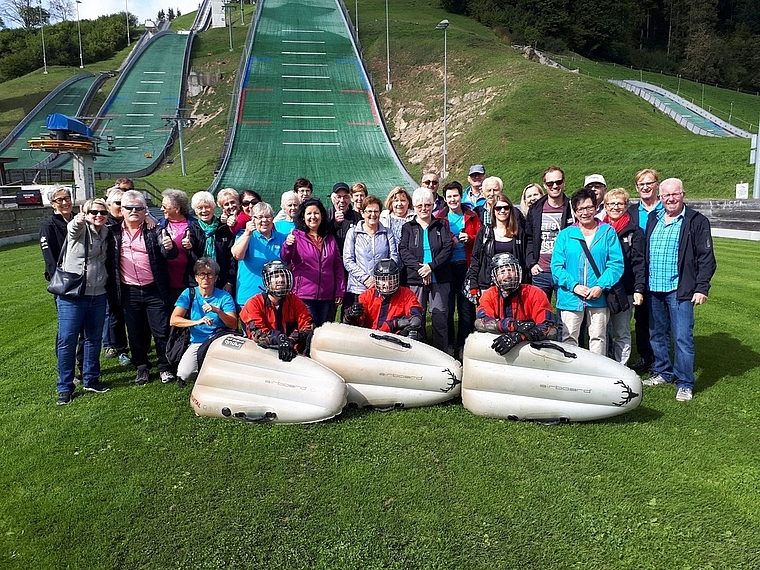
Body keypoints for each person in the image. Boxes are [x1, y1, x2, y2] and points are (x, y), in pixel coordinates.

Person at [643, 178, 716, 402]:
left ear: (683, 194)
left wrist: (701, 288)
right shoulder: (653, 218)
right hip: (654, 288)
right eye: (666, 195)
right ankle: (663, 372)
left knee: (683, 337)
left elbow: (706, 258)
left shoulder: (696, 221)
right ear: (661, 197)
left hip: (680, 289)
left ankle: (685, 383)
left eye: (675, 194)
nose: (671, 199)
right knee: (657, 334)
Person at [54, 199, 115, 404]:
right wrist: (79, 220)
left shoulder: (106, 231)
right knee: (67, 340)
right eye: (94, 212)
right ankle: (65, 386)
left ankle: (91, 378)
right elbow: (72, 229)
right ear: (85, 212)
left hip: (98, 294)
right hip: (73, 295)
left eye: (102, 212)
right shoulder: (80, 228)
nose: (99, 215)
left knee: (93, 339)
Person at [114, 190, 177, 385]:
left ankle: (164, 367)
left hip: (154, 289)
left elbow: (170, 255)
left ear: (144, 211)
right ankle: (141, 367)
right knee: (136, 333)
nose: (134, 211)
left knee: (161, 331)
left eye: (139, 208)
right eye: (129, 208)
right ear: (122, 210)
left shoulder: (155, 230)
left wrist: (169, 246)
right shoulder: (113, 232)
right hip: (129, 290)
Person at [550, 189, 624, 356]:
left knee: (598, 337)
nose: (585, 213)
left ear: (596, 207)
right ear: (574, 211)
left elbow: (615, 264)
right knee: (569, 338)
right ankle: (571, 373)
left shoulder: (607, 232)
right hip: (571, 297)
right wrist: (574, 286)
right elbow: (557, 267)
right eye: (580, 209)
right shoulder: (566, 235)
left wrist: (600, 286)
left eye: (589, 207)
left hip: (598, 296)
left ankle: (597, 374)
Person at [398, 187, 452, 351]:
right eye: (420, 205)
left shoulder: (441, 225)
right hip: (416, 279)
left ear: (433, 205)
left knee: (439, 318)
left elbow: (447, 248)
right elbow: (403, 251)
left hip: (439, 278)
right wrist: (421, 269)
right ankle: (420, 352)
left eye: (427, 205)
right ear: (414, 206)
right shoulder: (408, 227)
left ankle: (441, 353)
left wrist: (431, 267)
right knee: (416, 319)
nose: (423, 208)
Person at [40, 186, 85, 376]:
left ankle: (84, 365)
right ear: (53, 204)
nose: (65, 202)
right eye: (60, 200)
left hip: (84, 281)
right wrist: (60, 283)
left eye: (67, 198)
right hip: (65, 284)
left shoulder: (79, 219)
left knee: (85, 328)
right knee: (67, 331)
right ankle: (67, 370)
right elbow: (50, 258)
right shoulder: (49, 225)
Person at [170, 258, 238, 384]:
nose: (205, 278)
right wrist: (197, 322)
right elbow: (174, 320)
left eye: (210, 274)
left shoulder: (224, 296)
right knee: (184, 374)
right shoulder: (189, 293)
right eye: (201, 274)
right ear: (196, 277)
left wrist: (218, 311)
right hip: (197, 341)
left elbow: (233, 324)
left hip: (219, 341)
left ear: (216, 277)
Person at [474, 253, 556, 356]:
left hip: (529, 349)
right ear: (495, 276)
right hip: (497, 347)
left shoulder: (535, 293)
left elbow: (549, 329)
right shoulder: (489, 295)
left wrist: (519, 336)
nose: (507, 275)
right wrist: (512, 325)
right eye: (502, 272)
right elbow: (481, 322)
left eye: (511, 270)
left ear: (518, 272)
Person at [281, 197, 346, 327]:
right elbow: (286, 257)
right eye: (309, 213)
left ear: (322, 215)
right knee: (307, 332)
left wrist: (340, 290)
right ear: (303, 217)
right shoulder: (296, 235)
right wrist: (288, 245)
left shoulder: (330, 238)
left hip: (327, 297)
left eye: (316, 213)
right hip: (304, 296)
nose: (313, 216)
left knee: (325, 334)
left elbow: (337, 266)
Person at [436, 181, 481, 356]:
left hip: (466, 267)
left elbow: (480, 237)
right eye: (449, 197)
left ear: (460, 196)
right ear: (445, 199)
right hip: (447, 268)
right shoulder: (440, 217)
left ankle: (463, 344)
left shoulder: (471, 215)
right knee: (447, 309)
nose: (453, 199)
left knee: (465, 309)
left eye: (456, 196)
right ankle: (448, 344)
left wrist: (469, 238)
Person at [602, 188, 646, 365]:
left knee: (621, 331)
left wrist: (638, 288)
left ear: (626, 206)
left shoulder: (634, 232)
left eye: (620, 203)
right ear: (605, 206)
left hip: (623, 288)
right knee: (601, 332)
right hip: (601, 288)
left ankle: (621, 367)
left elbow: (639, 262)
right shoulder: (598, 229)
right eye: (611, 203)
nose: (615, 207)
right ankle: (602, 367)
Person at [240, 260, 314, 361]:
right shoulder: (254, 303)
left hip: (292, 354)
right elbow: (257, 333)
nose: (281, 280)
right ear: (268, 281)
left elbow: (307, 326)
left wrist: (291, 341)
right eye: (275, 276)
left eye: (283, 276)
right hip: (261, 355)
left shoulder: (295, 301)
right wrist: (280, 339)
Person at [627, 169, 663, 372]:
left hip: (660, 271)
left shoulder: (666, 209)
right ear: (636, 188)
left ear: (657, 184)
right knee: (641, 318)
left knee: (659, 319)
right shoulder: (632, 212)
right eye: (641, 184)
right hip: (638, 272)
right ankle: (646, 357)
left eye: (649, 183)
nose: (646, 187)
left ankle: (661, 359)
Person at [525, 166, 575, 304]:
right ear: (544, 185)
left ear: (564, 183)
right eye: (550, 183)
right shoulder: (535, 209)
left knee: (567, 317)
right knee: (540, 317)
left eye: (558, 182)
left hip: (565, 271)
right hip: (541, 271)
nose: (554, 186)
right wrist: (531, 263)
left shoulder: (572, 208)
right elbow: (528, 238)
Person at [466, 194, 526, 307]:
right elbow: (475, 259)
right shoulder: (484, 232)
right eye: (498, 208)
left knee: (512, 320)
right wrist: (473, 283)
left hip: (512, 283)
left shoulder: (518, 232)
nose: (502, 211)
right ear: (493, 211)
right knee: (489, 321)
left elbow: (523, 259)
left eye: (506, 207)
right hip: (488, 284)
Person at [343, 195, 398, 309]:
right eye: (369, 211)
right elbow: (348, 260)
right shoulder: (353, 233)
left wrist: (380, 279)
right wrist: (366, 279)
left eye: (376, 211)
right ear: (363, 213)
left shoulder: (388, 233)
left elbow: (393, 258)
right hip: (358, 288)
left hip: (382, 287)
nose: (373, 215)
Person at [343, 258, 423, 338]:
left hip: (395, 339)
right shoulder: (367, 295)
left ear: (397, 279)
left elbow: (416, 316)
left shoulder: (406, 294)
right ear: (376, 280)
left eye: (390, 279)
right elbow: (354, 323)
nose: (387, 284)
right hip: (369, 338)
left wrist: (394, 324)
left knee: (414, 333)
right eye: (383, 280)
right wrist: (351, 315)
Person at [231, 201, 286, 309]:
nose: (264, 220)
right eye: (260, 217)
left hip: (275, 297)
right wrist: (247, 234)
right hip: (249, 295)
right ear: (253, 219)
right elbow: (237, 255)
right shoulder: (243, 235)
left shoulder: (282, 238)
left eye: (268, 217)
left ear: (273, 219)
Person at [102, 188, 132, 366]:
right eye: (117, 203)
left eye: (124, 204)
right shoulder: (105, 225)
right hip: (111, 278)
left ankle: (137, 346)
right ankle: (120, 349)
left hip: (131, 278)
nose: (121, 207)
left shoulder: (133, 221)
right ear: (108, 205)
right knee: (115, 315)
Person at [157, 189, 204, 303]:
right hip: (167, 283)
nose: (161, 209)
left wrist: (191, 245)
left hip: (190, 281)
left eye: (164, 206)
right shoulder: (159, 225)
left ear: (177, 209)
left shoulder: (196, 225)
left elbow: (202, 251)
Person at [191, 191, 237, 294]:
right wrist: (188, 245)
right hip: (199, 282)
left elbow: (231, 258)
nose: (204, 211)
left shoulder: (224, 227)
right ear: (195, 210)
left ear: (213, 207)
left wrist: (230, 282)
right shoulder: (192, 229)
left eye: (207, 207)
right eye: (200, 208)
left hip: (222, 282)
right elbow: (191, 253)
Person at [326, 182, 362, 252]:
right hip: (333, 258)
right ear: (333, 199)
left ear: (350, 199)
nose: (342, 201)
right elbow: (322, 235)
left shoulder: (357, 216)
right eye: (339, 197)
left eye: (345, 197)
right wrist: (335, 224)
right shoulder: (326, 215)